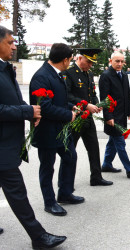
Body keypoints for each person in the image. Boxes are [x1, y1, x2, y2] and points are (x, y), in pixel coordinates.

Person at [0, 25, 66, 248]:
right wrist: (26, 111)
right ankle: (39, 237)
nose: (14, 46)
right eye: (10, 42)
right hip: (2, 146)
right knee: (17, 192)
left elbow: (11, 101)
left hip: (7, 140)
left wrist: (28, 112)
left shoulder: (4, 68)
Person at [30, 43, 84, 216]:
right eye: (70, 60)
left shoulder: (57, 74)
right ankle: (49, 202)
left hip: (60, 129)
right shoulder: (41, 77)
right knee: (48, 166)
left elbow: (59, 101)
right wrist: (68, 115)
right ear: (65, 60)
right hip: (47, 131)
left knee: (70, 156)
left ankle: (65, 193)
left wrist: (73, 107)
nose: (70, 63)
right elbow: (44, 107)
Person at [63, 48, 114, 185]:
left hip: (88, 118)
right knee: (70, 152)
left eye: (92, 63)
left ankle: (96, 177)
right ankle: (67, 185)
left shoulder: (89, 74)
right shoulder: (69, 73)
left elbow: (92, 93)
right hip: (75, 117)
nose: (90, 65)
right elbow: (67, 96)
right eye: (88, 62)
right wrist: (86, 106)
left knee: (93, 148)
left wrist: (97, 104)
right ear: (79, 59)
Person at [99, 52, 130, 178]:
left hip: (122, 114)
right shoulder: (106, 75)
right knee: (120, 142)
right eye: (117, 61)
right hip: (113, 116)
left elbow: (126, 96)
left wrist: (129, 111)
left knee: (112, 142)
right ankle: (129, 169)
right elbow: (105, 98)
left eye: (121, 61)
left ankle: (107, 164)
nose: (119, 64)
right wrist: (108, 116)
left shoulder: (124, 75)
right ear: (110, 61)